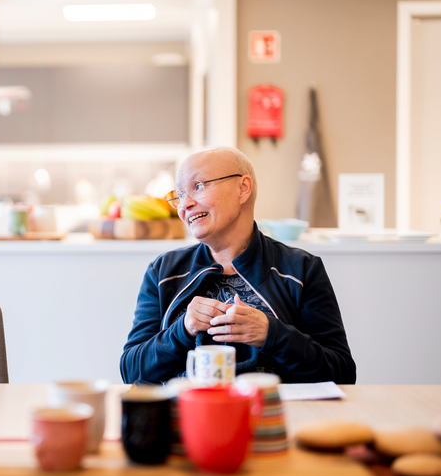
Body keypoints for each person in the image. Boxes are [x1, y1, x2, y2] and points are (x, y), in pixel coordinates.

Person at [120, 147, 356, 385]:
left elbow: (342, 373)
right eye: (179, 195)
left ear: (243, 188)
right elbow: (131, 371)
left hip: (273, 415)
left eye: (198, 186)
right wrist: (182, 330)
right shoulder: (163, 272)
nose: (185, 205)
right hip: (186, 416)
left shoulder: (301, 269)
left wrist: (271, 334)